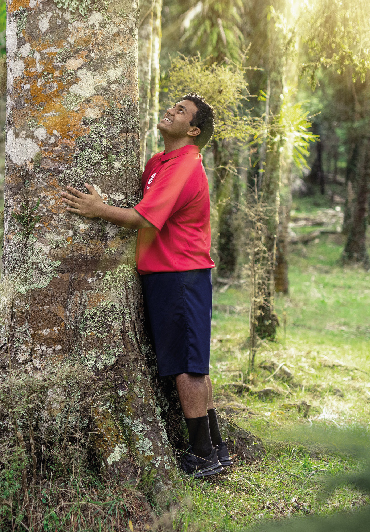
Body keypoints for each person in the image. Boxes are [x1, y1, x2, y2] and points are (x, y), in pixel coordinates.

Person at [61, 94, 230, 478]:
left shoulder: (186, 165)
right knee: (191, 362)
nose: (171, 110)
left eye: (182, 111)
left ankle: (203, 454)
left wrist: (97, 209)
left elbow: (145, 219)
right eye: (174, 105)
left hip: (180, 275)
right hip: (163, 275)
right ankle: (216, 447)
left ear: (193, 130)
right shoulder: (158, 162)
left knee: (188, 367)